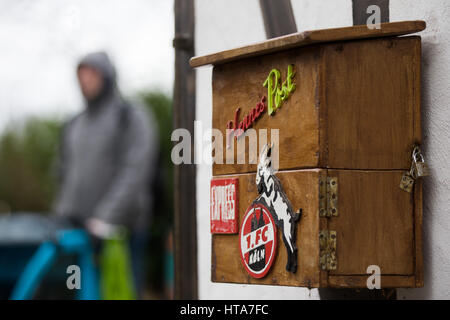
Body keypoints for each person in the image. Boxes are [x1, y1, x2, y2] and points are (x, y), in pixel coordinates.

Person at [53, 51, 158, 297]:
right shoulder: (74, 123)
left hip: (124, 233)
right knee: (81, 291)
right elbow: (64, 173)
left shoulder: (131, 116)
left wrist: (105, 218)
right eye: (81, 75)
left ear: (107, 76)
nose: (85, 80)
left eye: (91, 73)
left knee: (122, 292)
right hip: (79, 233)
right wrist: (61, 215)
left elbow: (136, 171)